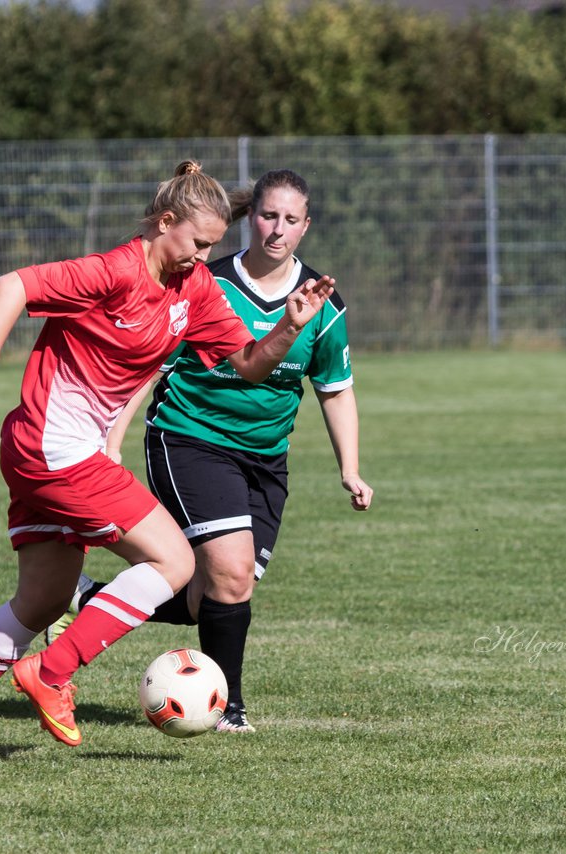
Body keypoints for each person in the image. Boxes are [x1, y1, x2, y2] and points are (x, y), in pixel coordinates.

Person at [0, 161, 335, 755]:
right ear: (165, 222)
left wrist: (289, 328)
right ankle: (51, 674)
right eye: (196, 243)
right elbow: (12, 286)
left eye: (212, 246)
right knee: (176, 563)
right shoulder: (115, 270)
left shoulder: (196, 290)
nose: (202, 256)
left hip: (52, 450)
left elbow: (251, 364)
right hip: (54, 449)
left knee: (44, 599)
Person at [79, 169, 372, 733]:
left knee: (213, 593)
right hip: (189, 438)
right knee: (231, 571)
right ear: (250, 216)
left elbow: (334, 388)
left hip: (264, 459)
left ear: (306, 227)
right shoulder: (202, 283)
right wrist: (112, 439)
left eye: (291, 220)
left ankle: (87, 598)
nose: (277, 230)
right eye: (267, 215)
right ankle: (227, 709)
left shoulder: (322, 303)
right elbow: (147, 368)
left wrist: (350, 469)